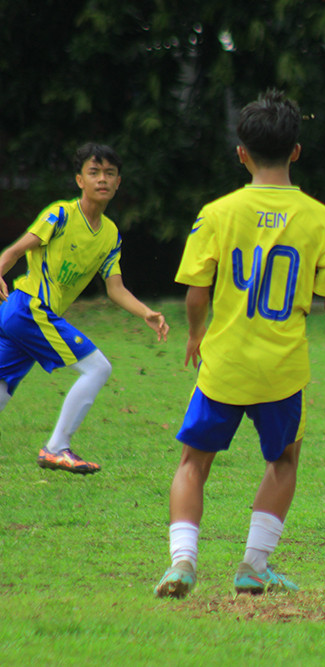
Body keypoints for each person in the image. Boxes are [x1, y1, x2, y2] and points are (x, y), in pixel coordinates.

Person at [154, 90, 325, 599]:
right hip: (282, 371)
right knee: (283, 462)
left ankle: (182, 563)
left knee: (193, 463)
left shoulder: (216, 213)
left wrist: (195, 333)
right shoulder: (322, 219)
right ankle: (253, 566)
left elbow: (196, 292)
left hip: (224, 365)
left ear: (242, 153)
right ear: (296, 151)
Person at [0, 143, 169, 474]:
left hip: (23, 317)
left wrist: (145, 312)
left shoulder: (110, 235)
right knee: (98, 368)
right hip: (29, 308)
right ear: (80, 180)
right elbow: (15, 251)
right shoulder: (61, 214)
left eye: (109, 173)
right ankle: (56, 448)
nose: (102, 179)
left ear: (118, 182)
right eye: (94, 172)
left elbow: (115, 289)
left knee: (2, 386)